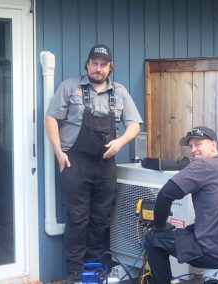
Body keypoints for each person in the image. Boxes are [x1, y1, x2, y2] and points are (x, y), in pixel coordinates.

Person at [44, 44, 143, 283]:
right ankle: (76, 272)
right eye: (94, 63)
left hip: (105, 165)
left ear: (110, 68)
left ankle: (95, 267)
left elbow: (134, 125)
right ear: (87, 65)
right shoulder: (70, 87)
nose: (98, 68)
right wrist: (59, 153)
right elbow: (50, 118)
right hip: (74, 163)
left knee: (101, 218)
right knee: (77, 219)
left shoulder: (120, 92)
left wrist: (120, 143)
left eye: (103, 64)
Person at [145, 126, 218, 284]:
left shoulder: (203, 165)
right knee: (185, 229)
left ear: (213, 145)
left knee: (153, 237)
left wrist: (159, 227)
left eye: (198, 144)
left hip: (216, 255)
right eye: (190, 146)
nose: (193, 150)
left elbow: (165, 195)